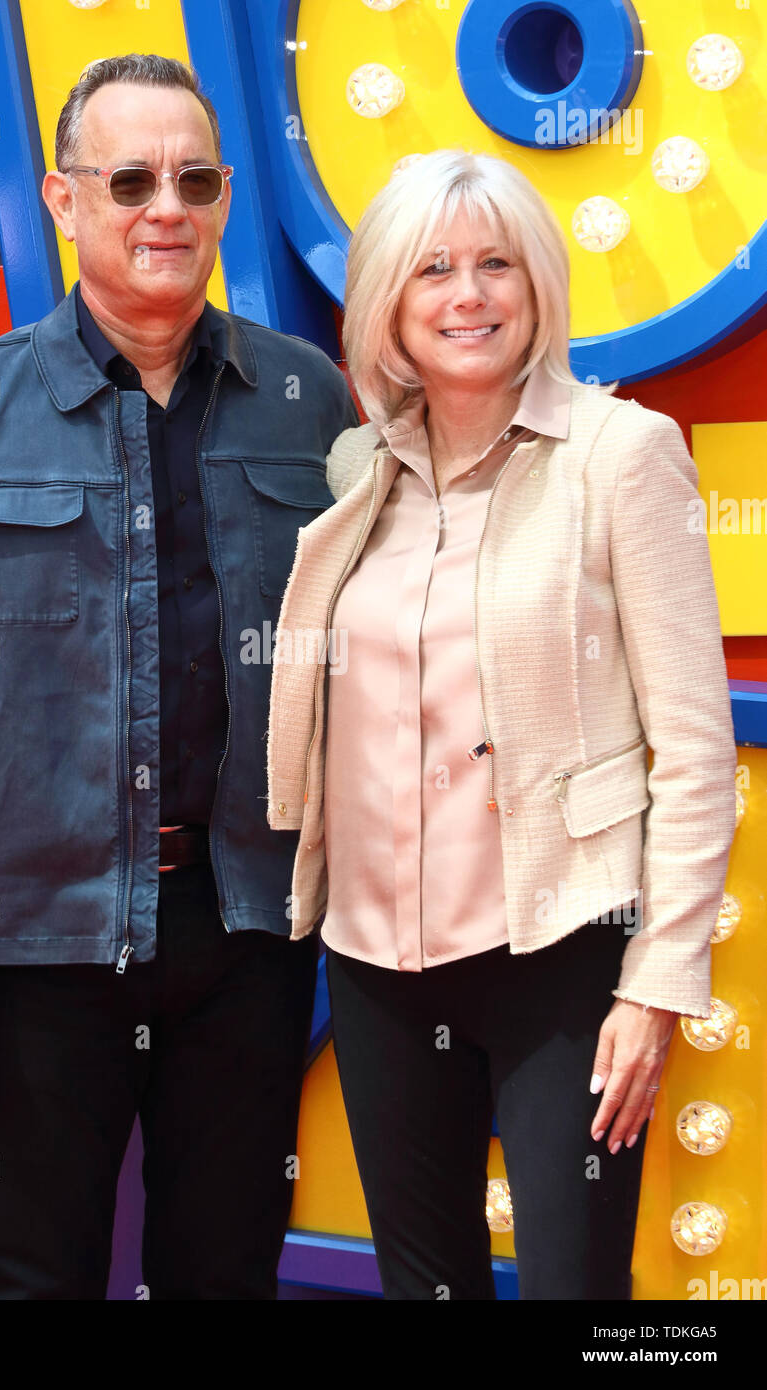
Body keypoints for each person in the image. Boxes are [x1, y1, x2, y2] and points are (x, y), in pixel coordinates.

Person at [0, 53, 356, 1300]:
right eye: (128, 179)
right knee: (33, 1282)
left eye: (194, 178)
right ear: (66, 201)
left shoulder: (307, 401)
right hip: (37, 952)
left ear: (229, 196)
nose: (164, 207)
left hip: (248, 937)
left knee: (224, 1277)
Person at [266, 149, 737, 1300]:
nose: (467, 294)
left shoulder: (622, 456)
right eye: (433, 268)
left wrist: (658, 981)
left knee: (578, 1293)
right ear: (387, 299)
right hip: (377, 963)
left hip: (561, 961)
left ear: (537, 288)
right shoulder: (357, 467)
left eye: (495, 265)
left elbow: (695, 745)